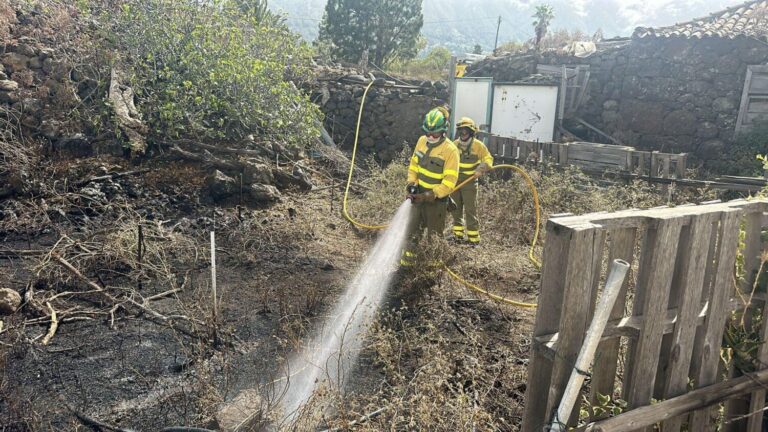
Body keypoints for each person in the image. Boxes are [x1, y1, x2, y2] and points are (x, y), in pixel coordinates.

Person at [400, 108, 460, 267]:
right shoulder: (421, 141)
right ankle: (406, 266)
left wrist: (429, 195)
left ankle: (431, 271)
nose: (430, 137)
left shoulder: (450, 151)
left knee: (434, 238)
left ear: (444, 130)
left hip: (437, 202)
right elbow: (414, 165)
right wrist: (412, 184)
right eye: (427, 133)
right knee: (411, 233)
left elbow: (449, 183)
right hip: (418, 196)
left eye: (435, 134)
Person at [450, 117, 493, 245]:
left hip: (470, 182)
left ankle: (473, 239)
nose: (463, 134)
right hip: (455, 182)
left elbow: (488, 159)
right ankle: (457, 236)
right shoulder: (454, 145)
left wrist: (481, 168)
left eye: (466, 131)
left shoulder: (478, 146)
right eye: (461, 131)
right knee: (455, 209)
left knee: (470, 209)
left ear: (471, 132)